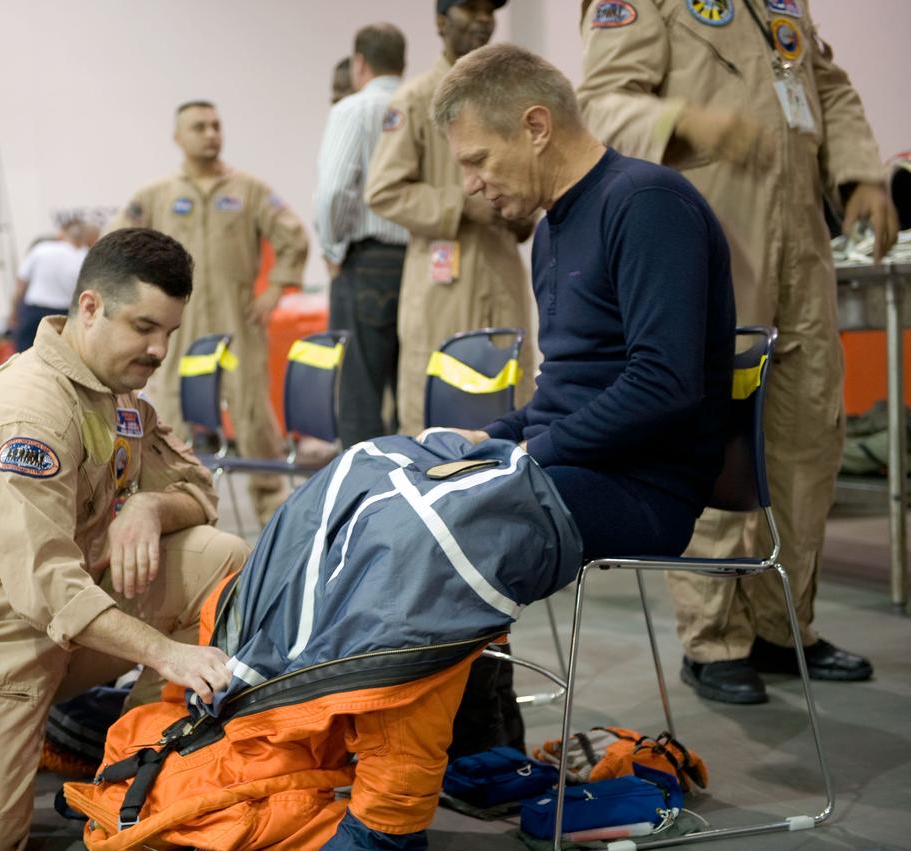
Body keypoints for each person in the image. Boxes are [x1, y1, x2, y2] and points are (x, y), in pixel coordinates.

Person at [0, 228, 250, 851]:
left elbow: (199, 492)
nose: (159, 349)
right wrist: (169, 655)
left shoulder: (116, 393)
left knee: (223, 560)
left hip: (66, 625)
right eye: (144, 327)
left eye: (169, 332)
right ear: (89, 308)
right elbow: (46, 585)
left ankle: (143, 759)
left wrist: (148, 509)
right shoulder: (29, 414)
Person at [577, 0, 897, 702]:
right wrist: (685, 123)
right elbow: (599, 104)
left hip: (802, 250)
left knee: (808, 437)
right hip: (710, 242)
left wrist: (860, 172)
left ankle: (784, 624)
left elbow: (828, 84)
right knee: (716, 442)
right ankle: (714, 637)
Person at [430, 42, 736, 578]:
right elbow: (567, 388)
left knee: (442, 522)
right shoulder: (549, 229)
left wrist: (527, 452)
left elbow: (665, 384)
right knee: (389, 489)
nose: (471, 185)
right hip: (572, 467)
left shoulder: (648, 204)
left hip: (641, 486)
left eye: (478, 160)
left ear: (536, 127)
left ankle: (469, 665)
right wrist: (497, 436)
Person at [109, 101, 309, 525]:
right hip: (177, 325)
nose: (210, 134)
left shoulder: (248, 191)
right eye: (198, 127)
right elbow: (116, 244)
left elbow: (293, 236)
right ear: (178, 138)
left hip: (238, 322)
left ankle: (274, 513)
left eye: (216, 125)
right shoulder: (157, 195)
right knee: (170, 413)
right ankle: (172, 504)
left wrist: (277, 284)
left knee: (253, 414)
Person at [365, 0, 537, 436]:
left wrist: (524, 209)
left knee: (510, 403)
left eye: (489, 10)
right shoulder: (415, 100)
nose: (483, 19)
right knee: (435, 416)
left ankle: (505, 503)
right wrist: (461, 205)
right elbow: (384, 191)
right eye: (470, 8)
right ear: (441, 22)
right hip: (442, 284)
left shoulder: (510, 101)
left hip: (502, 274)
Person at [314, 23, 410, 446]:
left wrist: (332, 246)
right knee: (409, 394)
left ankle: (368, 503)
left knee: (359, 397)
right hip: (420, 263)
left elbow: (335, 189)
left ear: (359, 64)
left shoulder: (353, 109)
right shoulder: (421, 106)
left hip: (366, 263)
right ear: (402, 63)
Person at [10, 219, 96, 353]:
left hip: (34, 311)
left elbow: (21, 285)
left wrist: (14, 312)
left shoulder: (41, 250)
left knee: (24, 356)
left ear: (61, 235)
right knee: (60, 356)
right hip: (64, 315)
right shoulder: (85, 256)